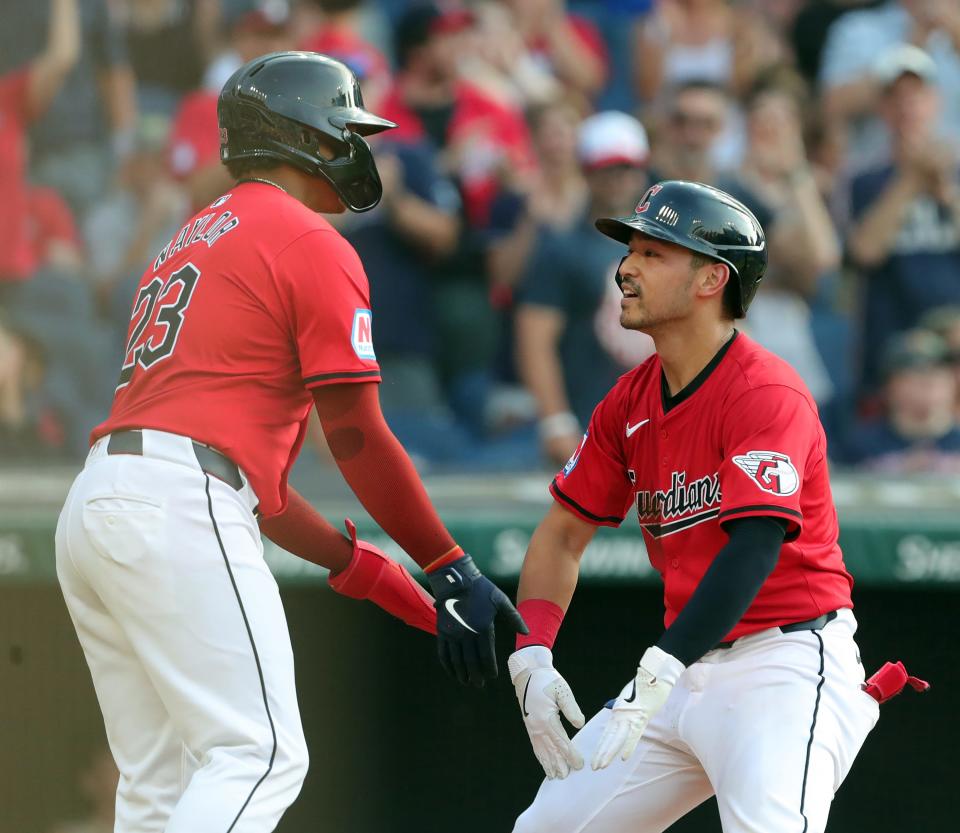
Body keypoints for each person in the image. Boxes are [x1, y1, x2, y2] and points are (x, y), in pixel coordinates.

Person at [55, 52, 525, 833]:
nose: (355, 147)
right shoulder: (304, 239)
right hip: (181, 500)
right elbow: (354, 432)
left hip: (109, 499)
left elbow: (264, 495)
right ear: (305, 134)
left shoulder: (189, 238)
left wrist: (392, 583)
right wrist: (451, 564)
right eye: (344, 130)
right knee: (261, 754)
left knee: (161, 785)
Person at [507, 180, 882, 833]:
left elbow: (756, 547)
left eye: (654, 253)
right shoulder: (628, 400)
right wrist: (532, 652)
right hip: (685, 666)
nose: (626, 267)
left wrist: (663, 664)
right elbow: (562, 535)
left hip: (785, 663)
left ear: (713, 278)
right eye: (632, 251)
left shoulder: (766, 391)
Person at [515, 110, 651, 467]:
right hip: (590, 419)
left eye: (626, 168)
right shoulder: (562, 248)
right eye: (606, 169)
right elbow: (534, 337)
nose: (618, 179)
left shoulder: (667, 248)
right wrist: (556, 421)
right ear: (587, 172)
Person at [847, 44, 960, 390]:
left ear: (935, 101)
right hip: (890, 344)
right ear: (883, 108)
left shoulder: (955, 172)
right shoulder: (864, 180)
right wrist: (911, 179)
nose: (906, 106)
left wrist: (945, 193)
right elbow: (864, 252)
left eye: (916, 95)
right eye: (896, 97)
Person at [845, 328, 960, 473]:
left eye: (940, 371)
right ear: (889, 387)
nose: (930, 380)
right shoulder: (858, 446)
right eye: (917, 373)